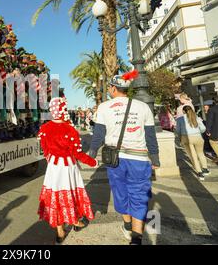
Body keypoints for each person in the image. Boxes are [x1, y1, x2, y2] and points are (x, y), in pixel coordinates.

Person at [88, 70, 160, 245]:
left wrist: (92, 153)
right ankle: (136, 237)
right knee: (138, 195)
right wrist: (155, 158)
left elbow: (98, 134)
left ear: (113, 89)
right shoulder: (143, 106)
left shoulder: (104, 107)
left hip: (116, 159)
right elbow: (151, 135)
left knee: (120, 192)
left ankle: (127, 225)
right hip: (140, 159)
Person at [37, 97, 98, 245]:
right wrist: (93, 162)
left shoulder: (44, 128)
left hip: (53, 167)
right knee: (70, 193)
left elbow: (44, 149)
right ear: (63, 109)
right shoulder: (70, 130)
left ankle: (60, 232)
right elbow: (78, 154)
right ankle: (75, 220)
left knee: (56, 196)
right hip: (67, 168)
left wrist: (51, 159)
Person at [176, 106, 209, 180]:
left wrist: (179, 138)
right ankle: (205, 169)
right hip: (198, 136)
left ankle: (199, 172)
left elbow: (178, 130)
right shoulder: (196, 117)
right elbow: (203, 128)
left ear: (183, 111)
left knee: (192, 155)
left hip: (186, 137)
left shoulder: (180, 119)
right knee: (201, 153)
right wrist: (198, 132)